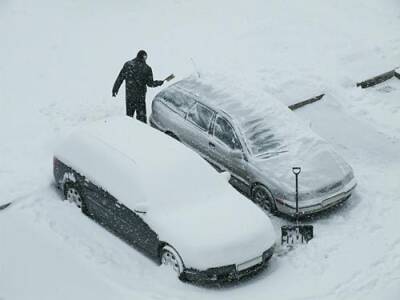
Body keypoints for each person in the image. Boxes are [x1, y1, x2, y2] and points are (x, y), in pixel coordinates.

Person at [112, 50, 164, 123]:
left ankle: (128, 131)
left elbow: (120, 78)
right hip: (140, 97)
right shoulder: (147, 68)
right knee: (141, 119)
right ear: (145, 57)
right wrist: (159, 83)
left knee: (129, 117)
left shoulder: (128, 65)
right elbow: (150, 84)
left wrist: (115, 89)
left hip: (129, 96)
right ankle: (141, 133)